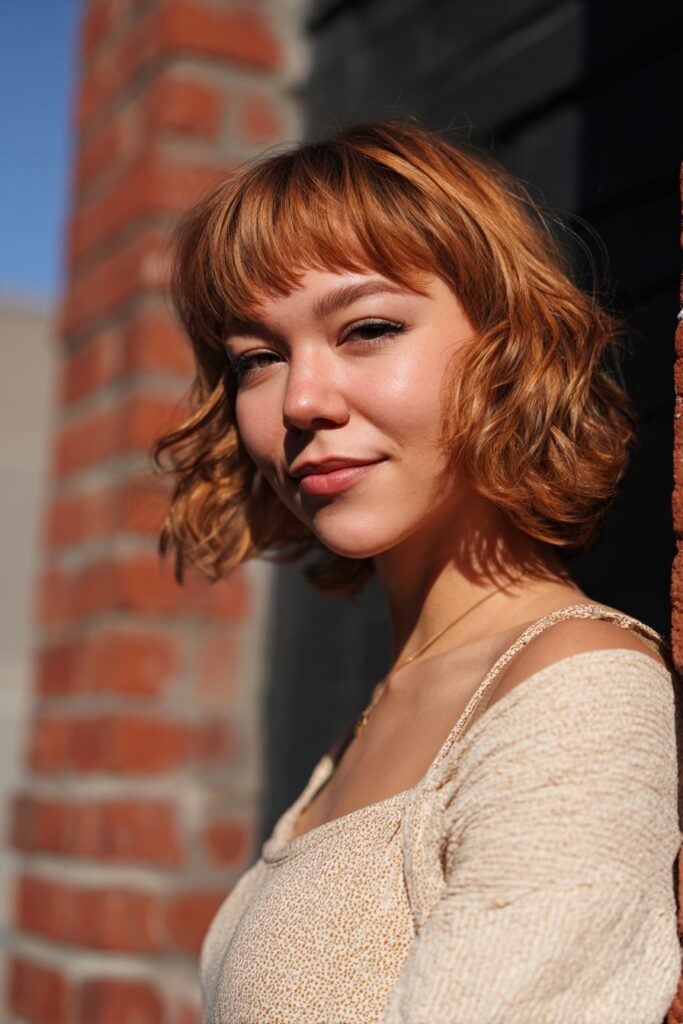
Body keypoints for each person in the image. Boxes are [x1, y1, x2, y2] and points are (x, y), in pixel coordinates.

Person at [153, 119, 682, 1023]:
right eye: (258, 359)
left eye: (365, 328)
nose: (302, 401)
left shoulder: (574, 698)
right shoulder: (392, 700)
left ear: (508, 350)